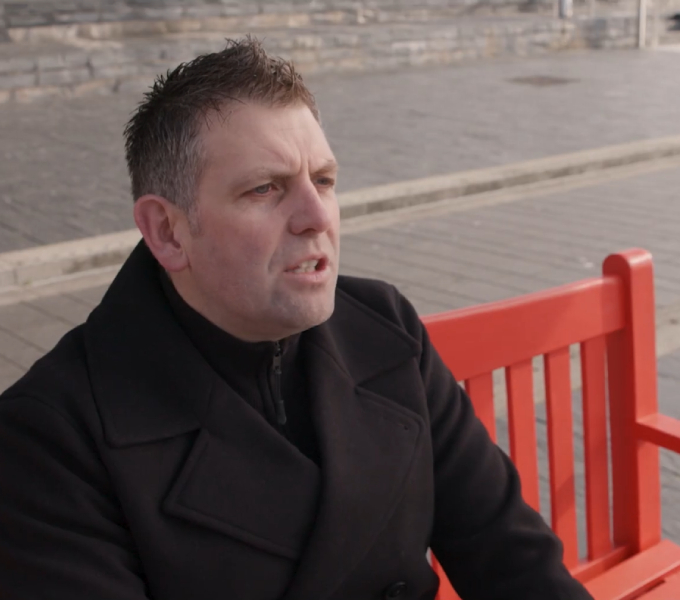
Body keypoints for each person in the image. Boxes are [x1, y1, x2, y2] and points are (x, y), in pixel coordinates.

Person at [0, 36, 594, 600]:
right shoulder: (50, 438)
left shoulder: (385, 328)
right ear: (167, 231)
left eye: (325, 180)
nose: (317, 216)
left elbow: (511, 554)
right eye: (264, 189)